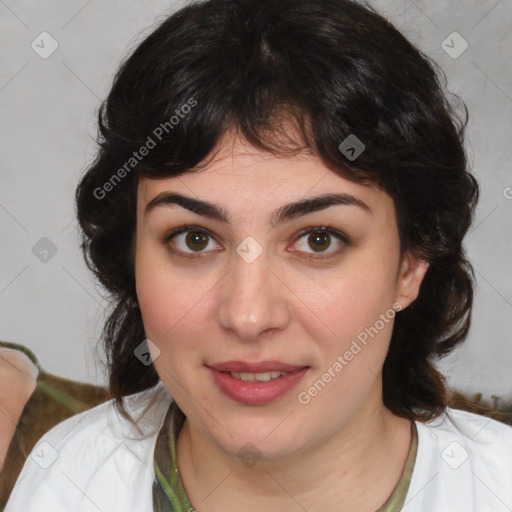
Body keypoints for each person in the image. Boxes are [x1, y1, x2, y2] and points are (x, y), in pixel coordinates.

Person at [5, 0, 512, 511]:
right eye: (194, 239)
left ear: (410, 262)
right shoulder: (67, 481)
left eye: (318, 239)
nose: (248, 316)